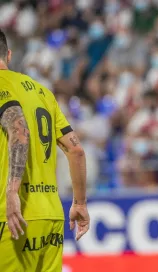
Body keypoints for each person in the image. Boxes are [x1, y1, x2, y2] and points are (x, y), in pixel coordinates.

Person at [0, 29, 90, 271]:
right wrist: (80, 203)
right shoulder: (43, 93)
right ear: (8, 55)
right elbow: (76, 151)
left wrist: (11, 193)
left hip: (12, 216)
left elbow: (19, 131)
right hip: (51, 216)